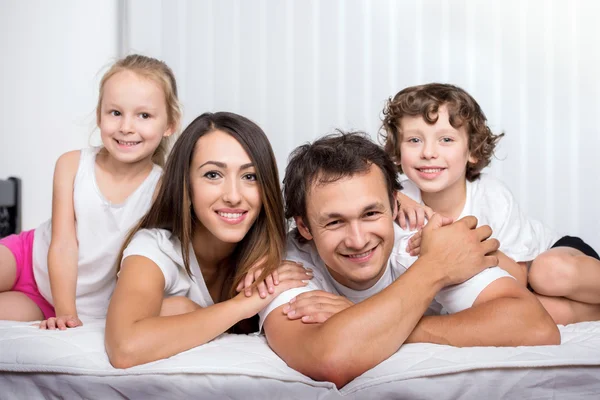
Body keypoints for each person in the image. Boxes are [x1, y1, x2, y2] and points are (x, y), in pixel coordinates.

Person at [259, 132, 559, 388]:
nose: (358, 239)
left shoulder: (417, 243)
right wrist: (434, 270)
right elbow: (329, 360)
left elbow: (536, 327)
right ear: (304, 227)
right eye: (335, 222)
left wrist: (367, 317)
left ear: (394, 205)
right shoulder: (288, 265)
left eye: (371, 214)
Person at [104, 112, 312, 369]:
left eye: (249, 176)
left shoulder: (285, 251)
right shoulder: (154, 249)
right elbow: (125, 348)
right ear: (186, 186)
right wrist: (242, 306)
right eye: (213, 175)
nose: (233, 196)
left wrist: (188, 312)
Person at [381, 83, 600, 325]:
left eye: (446, 139)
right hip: (510, 292)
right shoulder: (399, 202)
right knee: (526, 313)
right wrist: (392, 195)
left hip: (546, 260)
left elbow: (519, 278)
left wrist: (459, 241)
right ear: (397, 150)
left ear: (472, 151)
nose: (428, 152)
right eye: (413, 140)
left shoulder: (491, 195)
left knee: (547, 273)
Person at [0, 54, 181, 328]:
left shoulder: (161, 190)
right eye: (115, 112)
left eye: (144, 115)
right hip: (27, 258)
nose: (126, 127)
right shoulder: (72, 165)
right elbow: (62, 244)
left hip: (56, 303)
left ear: (169, 124)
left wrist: (67, 316)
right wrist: (65, 313)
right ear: (99, 115)